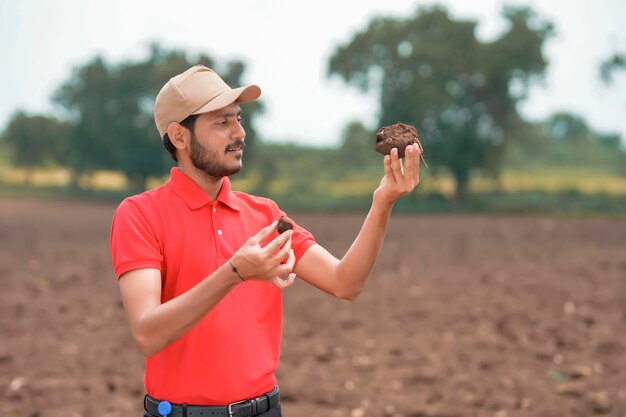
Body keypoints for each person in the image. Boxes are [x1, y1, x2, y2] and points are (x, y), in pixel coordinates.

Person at [109, 65, 421, 417]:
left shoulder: (265, 216)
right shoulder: (139, 215)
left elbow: (345, 282)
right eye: (221, 122)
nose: (240, 132)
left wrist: (382, 203)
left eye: (238, 119)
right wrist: (234, 272)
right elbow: (147, 333)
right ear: (179, 136)